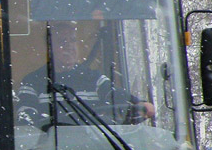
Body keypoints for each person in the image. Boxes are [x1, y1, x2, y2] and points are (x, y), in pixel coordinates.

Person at [17, 20, 154, 126]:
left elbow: (114, 95)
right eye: (62, 42)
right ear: (49, 49)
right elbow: (26, 116)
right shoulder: (32, 81)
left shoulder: (94, 78)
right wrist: (57, 124)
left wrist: (138, 103)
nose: (69, 46)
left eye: (72, 40)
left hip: (95, 149)